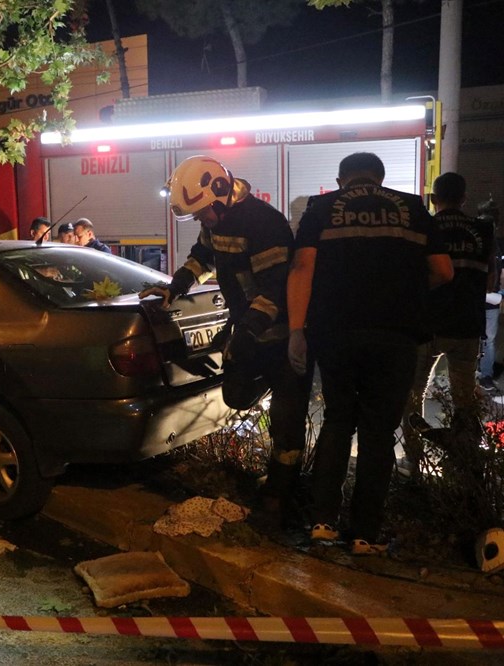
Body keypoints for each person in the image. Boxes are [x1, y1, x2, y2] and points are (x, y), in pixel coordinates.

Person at [287, 152, 453, 556]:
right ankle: (365, 535)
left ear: (342, 179)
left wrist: (296, 331)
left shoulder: (321, 207)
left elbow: (302, 268)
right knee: (379, 432)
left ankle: (323, 524)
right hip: (395, 335)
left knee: (339, 419)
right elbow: (445, 271)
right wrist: (406, 295)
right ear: (380, 178)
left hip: (335, 332)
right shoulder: (412, 207)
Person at [140, 155, 311, 527]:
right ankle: (275, 473)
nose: (202, 221)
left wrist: (248, 332)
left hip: (281, 337)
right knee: (235, 394)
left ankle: (280, 496)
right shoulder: (217, 219)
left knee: (287, 420)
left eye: (203, 214)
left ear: (219, 197)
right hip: (250, 330)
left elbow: (276, 290)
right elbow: (203, 258)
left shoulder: (264, 223)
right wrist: (176, 287)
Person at [402, 173, 493, 473]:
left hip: (428, 326)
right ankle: (465, 460)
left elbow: (415, 275)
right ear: (464, 198)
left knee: (413, 395)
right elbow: (490, 279)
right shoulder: (482, 229)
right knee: (465, 399)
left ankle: (415, 462)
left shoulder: (425, 226)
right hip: (467, 326)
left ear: (433, 198)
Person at [478, 196, 502, 390]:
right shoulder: (479, 244)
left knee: (489, 340)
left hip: (489, 299)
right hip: (482, 299)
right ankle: (482, 374)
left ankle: (485, 374)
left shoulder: (495, 245)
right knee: (483, 340)